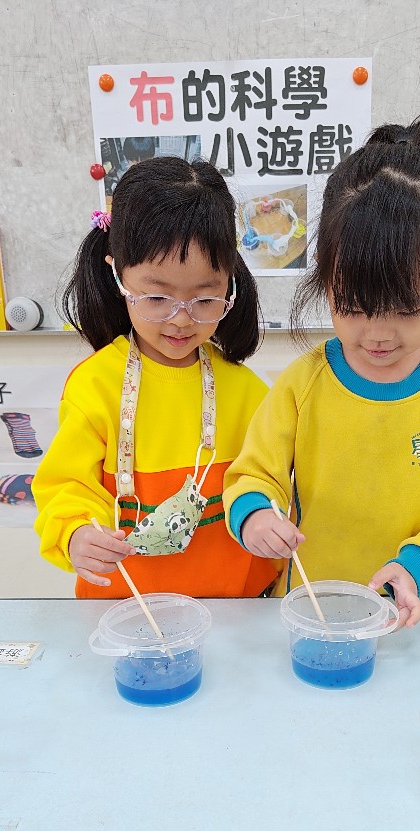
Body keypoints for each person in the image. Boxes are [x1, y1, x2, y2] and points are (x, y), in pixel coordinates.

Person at [223, 113, 420, 628]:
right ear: (324, 268)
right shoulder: (304, 383)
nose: (378, 335)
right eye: (352, 307)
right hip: (307, 604)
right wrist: (255, 513)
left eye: (406, 309)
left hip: (409, 608)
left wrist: (415, 566)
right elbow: (253, 472)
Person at [33, 157, 276, 599]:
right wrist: (75, 533)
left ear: (230, 283)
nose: (180, 320)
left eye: (205, 299)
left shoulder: (249, 392)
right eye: (157, 297)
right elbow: (65, 487)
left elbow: (270, 480)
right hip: (125, 608)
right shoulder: (95, 386)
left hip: (233, 608)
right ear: (116, 273)